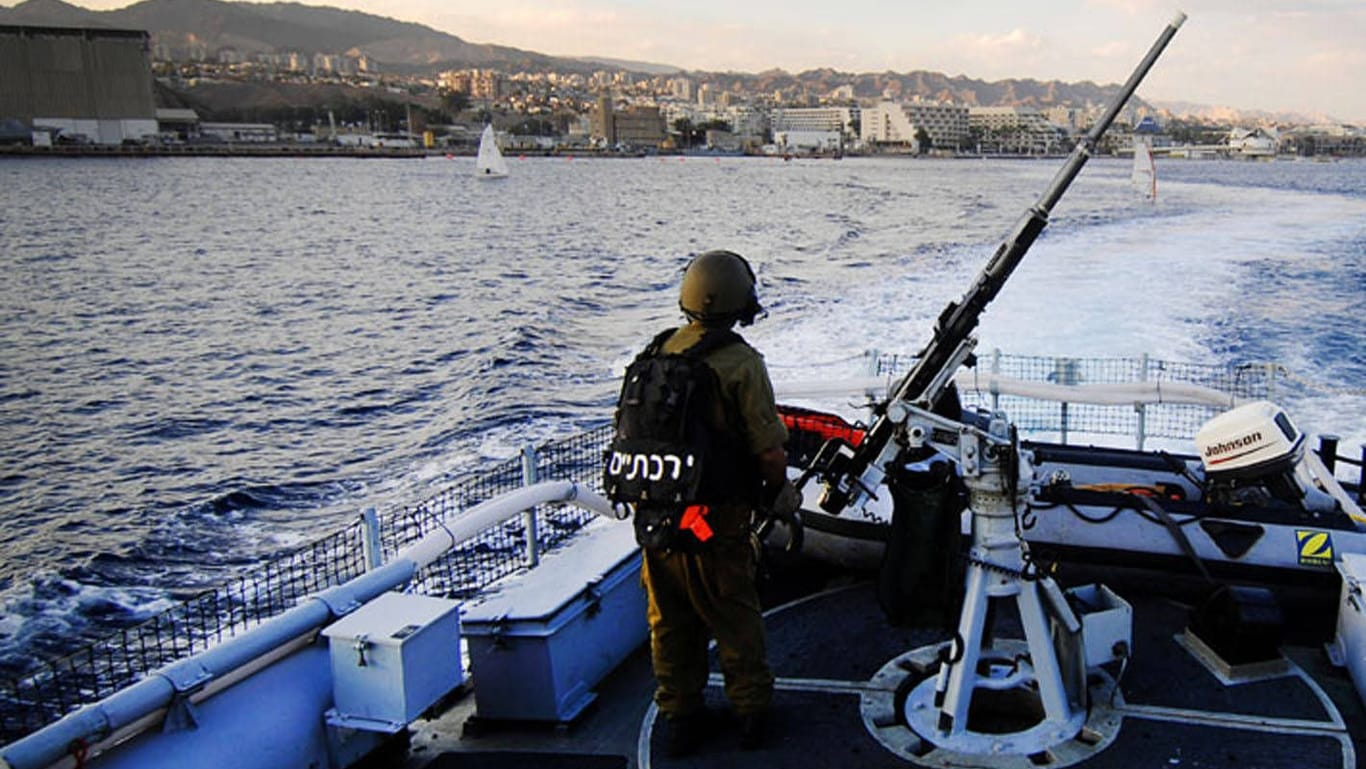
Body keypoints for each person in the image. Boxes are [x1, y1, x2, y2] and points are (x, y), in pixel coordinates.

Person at [635, 249, 801, 756]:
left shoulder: (657, 351)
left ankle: (679, 714)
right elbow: (769, 452)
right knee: (733, 613)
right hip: (714, 520)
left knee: (668, 618)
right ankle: (750, 713)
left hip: (658, 516)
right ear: (739, 301)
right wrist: (781, 496)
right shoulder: (740, 363)